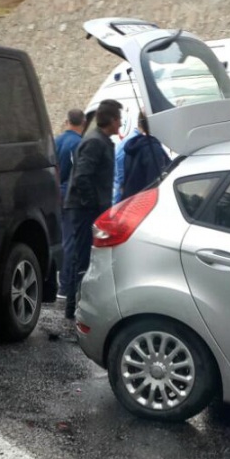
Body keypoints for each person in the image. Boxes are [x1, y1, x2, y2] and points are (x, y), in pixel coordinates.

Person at [62, 104, 120, 320]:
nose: (121, 123)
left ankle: (76, 306)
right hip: (84, 209)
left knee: (85, 257)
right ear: (112, 120)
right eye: (119, 118)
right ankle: (73, 308)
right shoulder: (95, 142)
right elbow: (82, 177)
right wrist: (93, 204)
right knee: (82, 257)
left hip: (88, 207)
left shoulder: (99, 140)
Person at [54, 109, 85, 293]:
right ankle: (66, 286)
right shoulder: (79, 144)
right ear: (83, 123)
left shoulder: (56, 141)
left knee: (60, 239)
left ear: (67, 121)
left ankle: (59, 280)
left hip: (54, 193)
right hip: (70, 197)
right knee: (70, 241)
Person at [120, 113, 171, 201]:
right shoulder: (152, 149)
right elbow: (155, 183)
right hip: (146, 205)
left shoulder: (132, 145)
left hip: (131, 203)